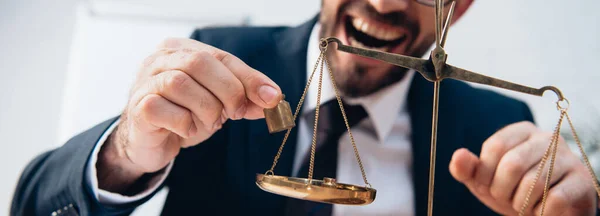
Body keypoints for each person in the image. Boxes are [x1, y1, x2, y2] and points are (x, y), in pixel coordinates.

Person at [11, 0, 598, 215]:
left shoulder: (496, 129)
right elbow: (33, 203)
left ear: (458, 8)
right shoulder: (225, 59)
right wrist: (124, 153)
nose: (385, 1)